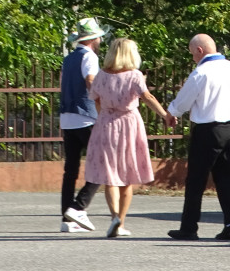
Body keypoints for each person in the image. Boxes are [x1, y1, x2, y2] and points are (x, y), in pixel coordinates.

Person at [166, 34, 230, 241]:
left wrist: (171, 113)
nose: (192, 58)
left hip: (207, 130)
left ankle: (189, 227)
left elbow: (183, 101)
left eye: (192, 54)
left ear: (199, 50)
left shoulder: (201, 73)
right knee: (225, 178)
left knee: (196, 180)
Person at [86, 38, 175, 237]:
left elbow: (96, 100)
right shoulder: (134, 75)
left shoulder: (101, 75)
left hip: (106, 124)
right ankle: (122, 221)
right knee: (127, 174)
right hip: (129, 123)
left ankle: (114, 217)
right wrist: (165, 115)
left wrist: (106, 114)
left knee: (110, 175)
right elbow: (148, 98)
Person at [60, 17, 106, 233]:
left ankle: (66, 219)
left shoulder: (68, 59)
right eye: (98, 37)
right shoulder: (90, 57)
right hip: (87, 117)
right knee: (102, 163)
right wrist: (101, 102)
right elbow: (90, 81)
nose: (99, 40)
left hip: (67, 118)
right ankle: (79, 206)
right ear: (93, 39)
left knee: (71, 169)